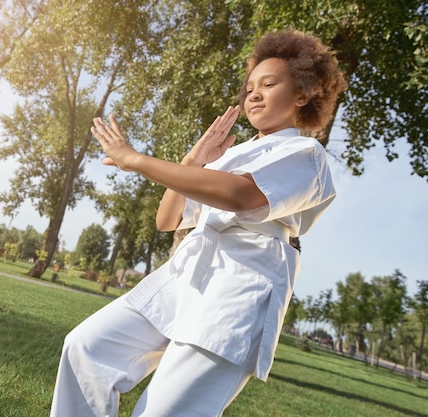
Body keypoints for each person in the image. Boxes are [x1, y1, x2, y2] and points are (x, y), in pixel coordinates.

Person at [49, 29, 347, 417]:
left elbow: (241, 196)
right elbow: (168, 219)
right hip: (184, 276)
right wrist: (192, 163)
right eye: (249, 87)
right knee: (86, 349)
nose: (253, 94)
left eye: (269, 84)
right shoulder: (232, 155)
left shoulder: (306, 154)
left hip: (239, 289)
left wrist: (135, 159)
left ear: (302, 95)